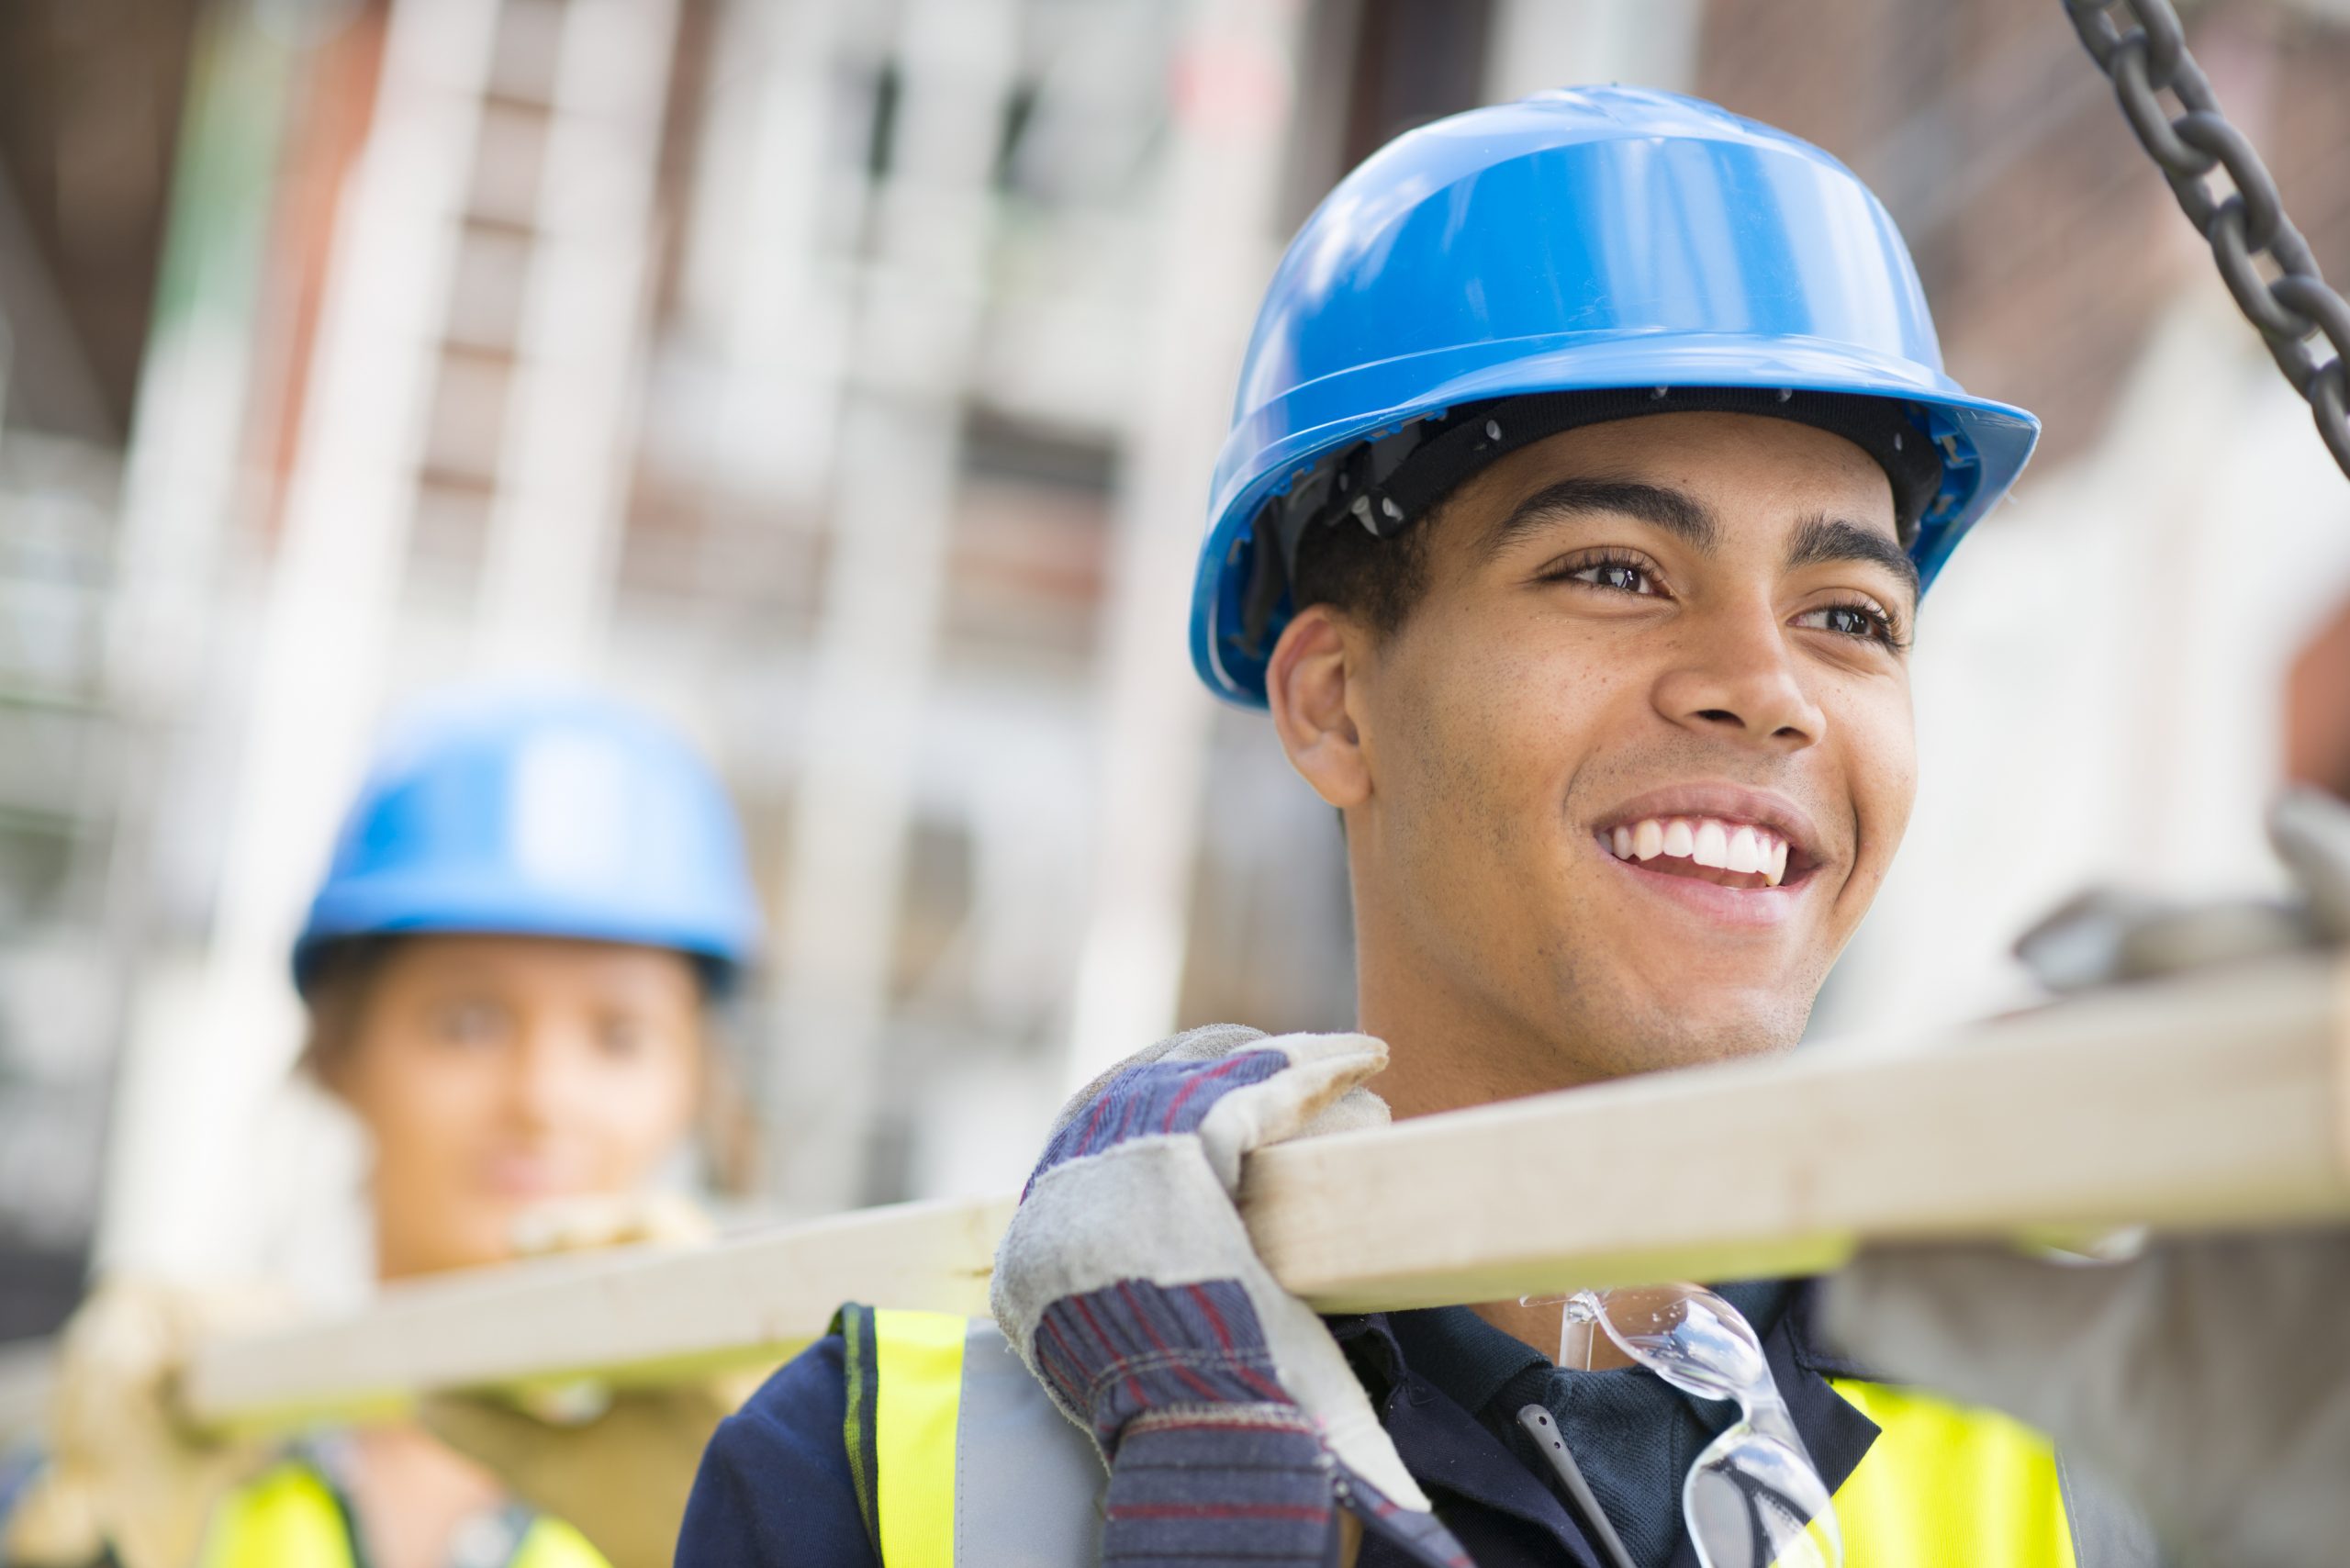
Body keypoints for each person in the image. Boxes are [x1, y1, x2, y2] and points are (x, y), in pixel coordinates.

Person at [674, 86, 2135, 1566]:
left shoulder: (2070, 1471)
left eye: (1848, 616)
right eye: (1616, 572)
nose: (1767, 693)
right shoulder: (883, 1482)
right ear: (1334, 702)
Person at [5, 689, 763, 1568]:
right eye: (468, 1022)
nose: (542, 1098)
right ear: (339, 1051)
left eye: (619, 1037)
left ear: (694, 1085)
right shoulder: (140, 1460)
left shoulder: (767, 1504)